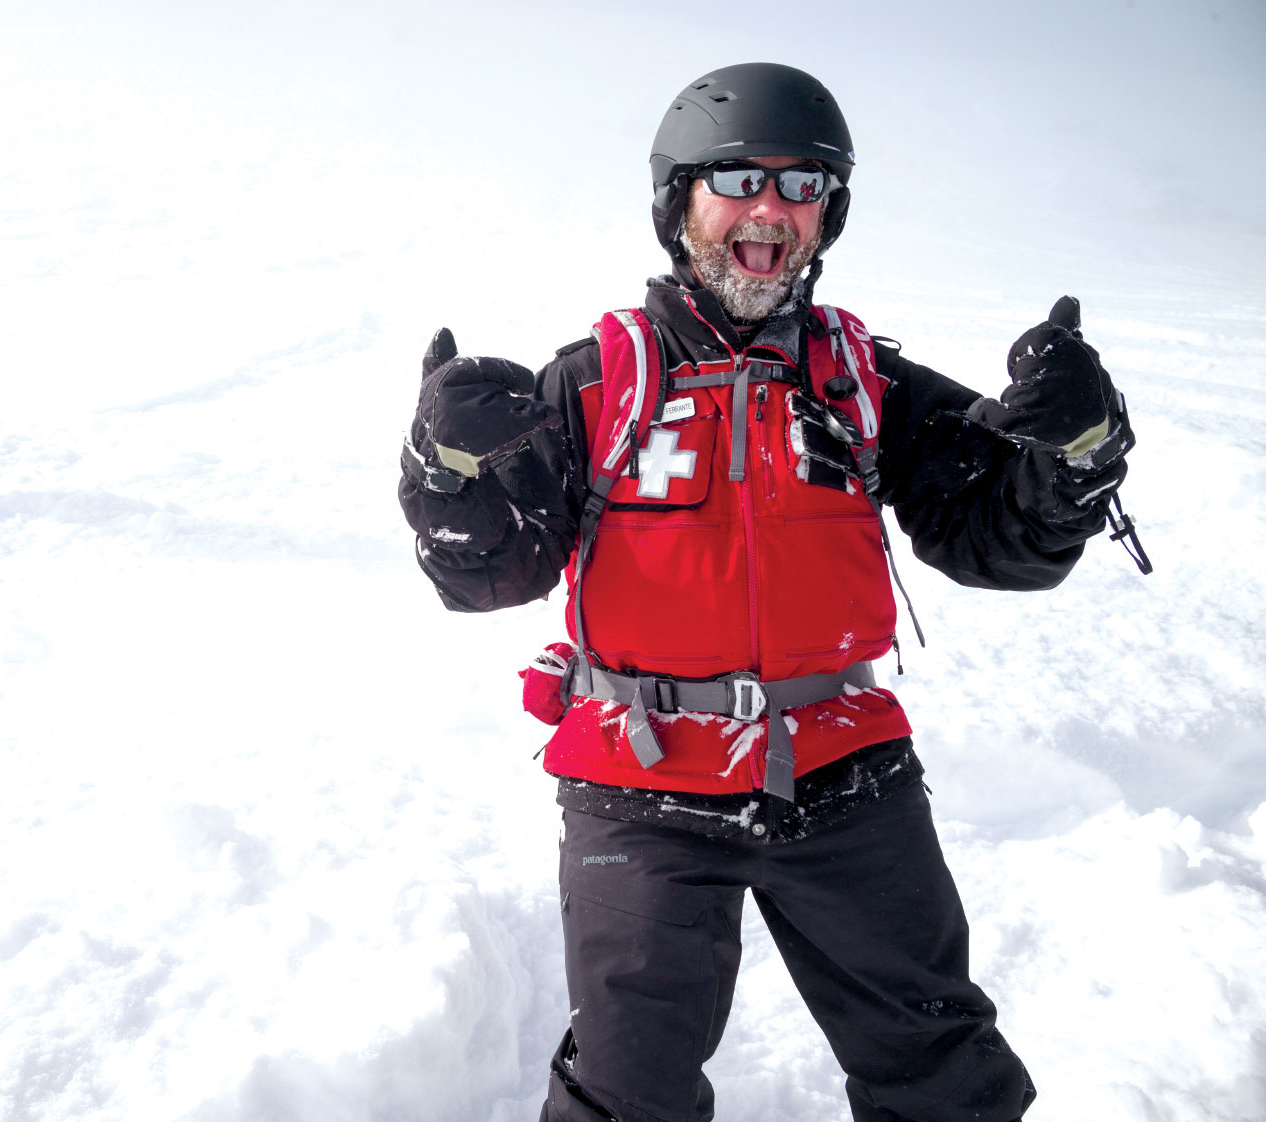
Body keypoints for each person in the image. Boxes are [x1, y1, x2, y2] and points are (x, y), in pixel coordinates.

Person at [399, 63, 1137, 1122]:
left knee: (944, 1076)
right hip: (638, 787)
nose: (772, 209)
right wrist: (448, 473)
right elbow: (488, 574)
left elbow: (999, 541)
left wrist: (1074, 454)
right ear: (678, 201)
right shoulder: (595, 382)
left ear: (829, 214)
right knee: (627, 1095)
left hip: (848, 770)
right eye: (739, 178)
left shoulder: (864, 382)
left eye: (804, 186)